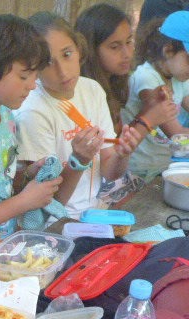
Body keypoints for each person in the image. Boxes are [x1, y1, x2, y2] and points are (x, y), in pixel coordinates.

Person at [14, 12, 140, 221]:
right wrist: (78, 160)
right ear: (33, 68)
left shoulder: (92, 90)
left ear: (79, 49)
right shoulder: (33, 112)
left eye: (67, 54)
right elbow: (46, 203)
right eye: (47, 63)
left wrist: (123, 154)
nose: (63, 71)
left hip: (93, 211)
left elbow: (110, 171)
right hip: (55, 221)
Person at [0, 14, 62, 237]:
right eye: (24, 76)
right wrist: (25, 201)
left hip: (5, 243)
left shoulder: (7, 117)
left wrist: (28, 175)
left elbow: (1, 183)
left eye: (35, 76)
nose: (32, 85)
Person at [75, 3, 177, 198]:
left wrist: (150, 106)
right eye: (115, 47)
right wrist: (148, 120)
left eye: (129, 42)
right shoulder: (85, 93)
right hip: (91, 189)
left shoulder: (117, 82)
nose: (127, 53)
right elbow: (111, 156)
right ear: (91, 49)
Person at [122, 11, 189, 183]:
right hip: (137, 170)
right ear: (168, 51)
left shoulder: (180, 78)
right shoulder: (147, 79)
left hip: (162, 166)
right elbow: (177, 134)